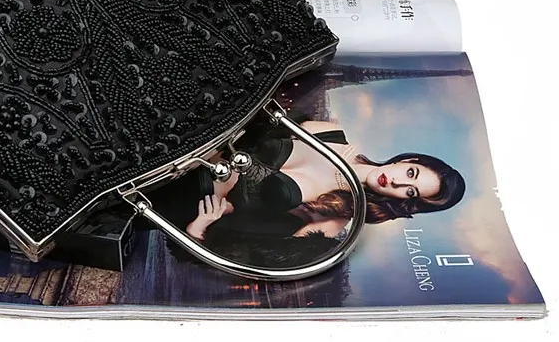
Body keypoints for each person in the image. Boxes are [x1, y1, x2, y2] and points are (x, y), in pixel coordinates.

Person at [169, 117, 466, 270]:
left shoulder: (334, 218)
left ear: (405, 203)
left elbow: (254, 260)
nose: (398, 183)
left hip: (178, 197)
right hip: (180, 140)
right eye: (411, 173)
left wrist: (198, 230)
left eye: (410, 192)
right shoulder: (329, 133)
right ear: (408, 160)